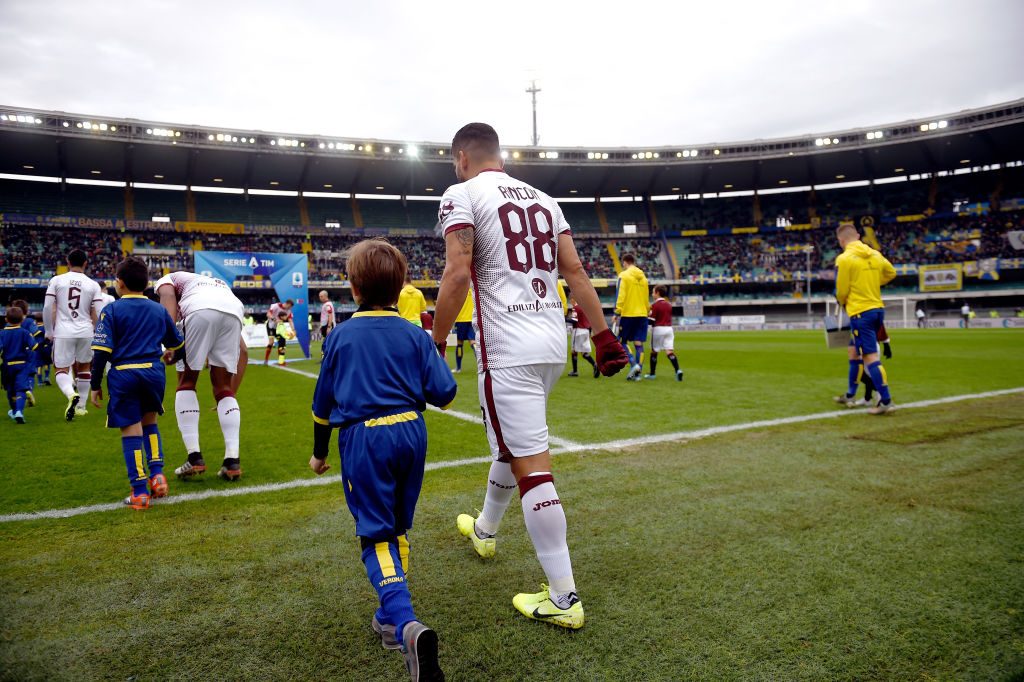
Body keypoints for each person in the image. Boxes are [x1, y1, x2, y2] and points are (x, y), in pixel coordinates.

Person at [432, 122, 629, 631]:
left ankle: (564, 598)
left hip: (507, 345)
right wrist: (603, 334)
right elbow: (577, 272)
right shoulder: (545, 199)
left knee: (533, 469)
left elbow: (458, 273)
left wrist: (433, 343)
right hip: (550, 344)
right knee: (512, 445)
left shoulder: (461, 192)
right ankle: (484, 528)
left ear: (462, 157)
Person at [310, 239, 456, 681]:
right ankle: (390, 621)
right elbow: (445, 393)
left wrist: (319, 454)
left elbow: (322, 406)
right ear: (400, 289)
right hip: (411, 431)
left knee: (374, 533)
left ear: (353, 288)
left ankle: (405, 622)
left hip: (366, 436)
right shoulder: (415, 332)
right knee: (397, 526)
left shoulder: (341, 336)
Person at [89, 257, 184, 510]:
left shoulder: (111, 310)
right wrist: (171, 355)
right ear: (147, 283)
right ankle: (158, 476)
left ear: (119, 283)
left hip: (124, 374)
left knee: (131, 430)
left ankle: (140, 492)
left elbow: (100, 352)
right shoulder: (158, 309)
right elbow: (176, 342)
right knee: (150, 422)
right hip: (154, 372)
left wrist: (95, 385)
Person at [155, 271, 246, 481]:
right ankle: (232, 461)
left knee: (187, 381)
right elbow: (245, 352)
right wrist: (231, 393)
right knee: (223, 388)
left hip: (198, 310)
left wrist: (169, 343)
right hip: (234, 311)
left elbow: (168, 299)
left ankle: (194, 457)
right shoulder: (215, 283)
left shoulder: (168, 279)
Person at [834, 224, 896, 415]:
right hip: (877, 310)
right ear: (858, 236)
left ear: (841, 240)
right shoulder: (875, 254)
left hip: (860, 312)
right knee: (854, 351)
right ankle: (851, 394)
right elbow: (891, 273)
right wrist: (871, 282)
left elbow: (842, 290)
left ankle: (885, 400)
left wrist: (842, 300)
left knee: (869, 357)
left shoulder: (844, 259)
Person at [42, 249, 103, 421]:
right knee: (84, 367)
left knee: (61, 368)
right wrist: (98, 331)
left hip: (63, 331)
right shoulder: (93, 284)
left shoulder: (57, 280)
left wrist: (48, 330)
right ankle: (82, 407)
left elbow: (47, 307)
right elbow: (99, 312)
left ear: (67, 263)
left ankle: (71, 394)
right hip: (86, 331)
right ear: (85, 264)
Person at [614, 253, 650, 381]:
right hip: (642, 314)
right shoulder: (643, 278)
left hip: (628, 313)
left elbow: (621, 295)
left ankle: (633, 364)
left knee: (622, 342)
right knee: (638, 343)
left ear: (625, 262)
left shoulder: (624, 275)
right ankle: (638, 373)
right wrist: (647, 310)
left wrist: (617, 312)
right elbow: (646, 298)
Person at [1, 306, 37, 424]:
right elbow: (34, 346)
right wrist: (46, 342)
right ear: (22, 319)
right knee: (21, 389)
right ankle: (19, 412)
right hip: (22, 365)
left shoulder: (2, 333)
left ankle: (14, 410)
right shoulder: (25, 332)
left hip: (7, 366)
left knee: (10, 391)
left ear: (6, 319)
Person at [645, 285, 683, 381]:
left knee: (654, 352)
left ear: (657, 293)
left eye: (653, 292)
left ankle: (652, 374)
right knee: (669, 351)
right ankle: (678, 370)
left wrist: (645, 317)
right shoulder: (669, 304)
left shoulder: (655, 305)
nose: (652, 294)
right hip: (669, 330)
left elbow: (652, 321)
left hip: (658, 329)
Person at [10, 300, 38, 405]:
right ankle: (29, 390)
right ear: (26, 310)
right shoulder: (30, 321)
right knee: (30, 373)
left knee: (16, 373)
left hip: (15, 351)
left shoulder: (10, 323)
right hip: (29, 351)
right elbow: (36, 332)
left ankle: (16, 394)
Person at [567, 296, 599, 378]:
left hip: (578, 330)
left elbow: (574, 320)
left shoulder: (575, 308)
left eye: (571, 299)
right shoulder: (585, 307)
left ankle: (575, 371)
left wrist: (565, 319)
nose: (571, 301)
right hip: (586, 331)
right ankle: (595, 364)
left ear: (574, 299)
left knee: (574, 351)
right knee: (584, 353)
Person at [453, 288, 475, 373]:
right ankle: (480, 365)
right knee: (473, 342)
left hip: (461, 319)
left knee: (459, 343)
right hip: (471, 319)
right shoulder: (471, 290)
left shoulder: (458, 290)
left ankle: (458, 368)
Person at [264, 299, 293, 365]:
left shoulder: (288, 311)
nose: (290, 308)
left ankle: (281, 361)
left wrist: (293, 330)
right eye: (290, 306)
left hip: (279, 328)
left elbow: (290, 320)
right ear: (287, 304)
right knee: (271, 342)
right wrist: (274, 319)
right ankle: (266, 360)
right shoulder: (275, 306)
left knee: (282, 342)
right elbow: (268, 314)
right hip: (271, 326)